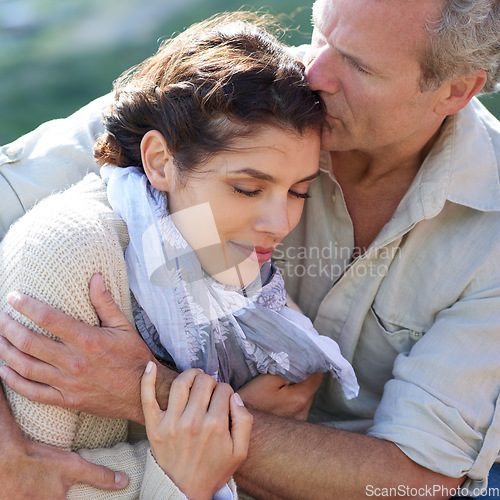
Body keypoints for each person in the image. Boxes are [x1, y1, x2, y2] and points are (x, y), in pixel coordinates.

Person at [0, 0, 499, 498]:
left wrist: (150, 390)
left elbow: (419, 483)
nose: (315, 72)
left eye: (358, 64)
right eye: (322, 35)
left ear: (455, 90)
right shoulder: (232, 97)